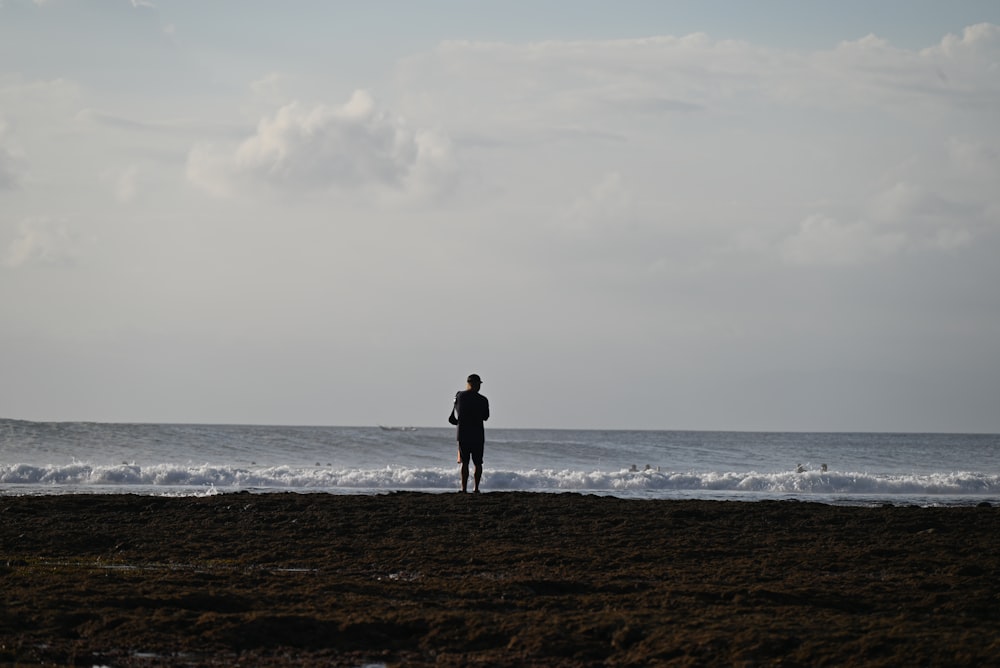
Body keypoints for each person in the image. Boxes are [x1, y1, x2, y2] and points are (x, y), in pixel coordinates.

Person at [452, 373, 489, 493]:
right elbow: (486, 417)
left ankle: (463, 489)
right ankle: (476, 488)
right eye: (478, 384)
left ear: (468, 383)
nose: (479, 386)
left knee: (465, 463)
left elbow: (458, 412)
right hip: (477, 435)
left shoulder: (460, 396)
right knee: (478, 463)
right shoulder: (483, 400)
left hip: (463, 434)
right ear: (475, 384)